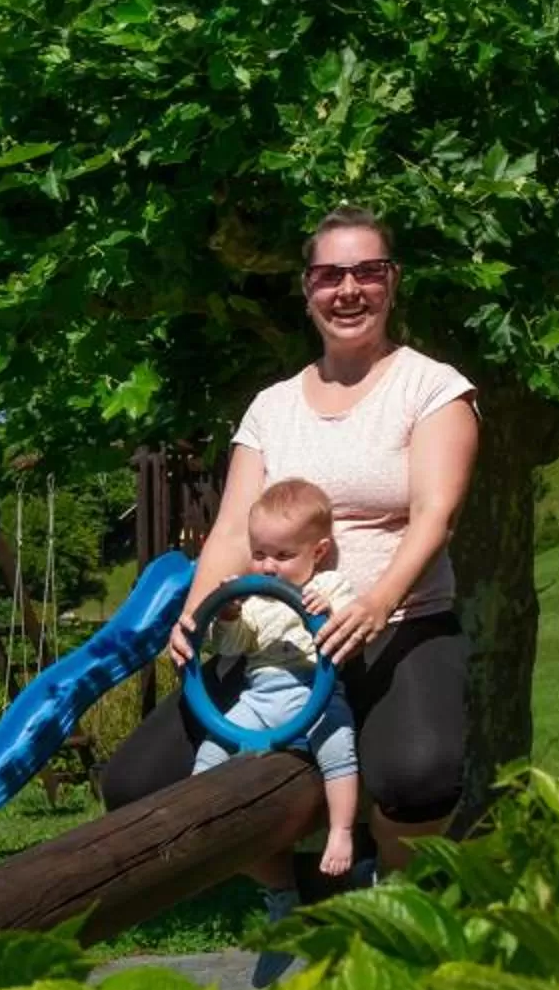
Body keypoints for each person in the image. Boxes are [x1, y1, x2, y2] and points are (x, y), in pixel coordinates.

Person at [101, 204, 479, 899]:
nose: (349, 289)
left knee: (418, 776)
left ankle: (395, 899)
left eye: (368, 271)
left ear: (392, 283)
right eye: (331, 275)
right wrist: (197, 613)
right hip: (278, 645)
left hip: (396, 626)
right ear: (307, 290)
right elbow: (233, 535)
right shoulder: (272, 408)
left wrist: (375, 603)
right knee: (133, 785)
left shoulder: (432, 388)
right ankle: (290, 890)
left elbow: (436, 514)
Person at [191, 477, 363, 879]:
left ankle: (341, 831)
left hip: (314, 692)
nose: (268, 566)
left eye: (283, 555)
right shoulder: (254, 599)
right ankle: (200, 819)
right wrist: (229, 615)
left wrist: (330, 611)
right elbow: (233, 647)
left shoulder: (329, 585)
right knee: (215, 745)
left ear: (317, 552)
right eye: (259, 553)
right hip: (261, 695)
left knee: (339, 749)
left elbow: (350, 628)